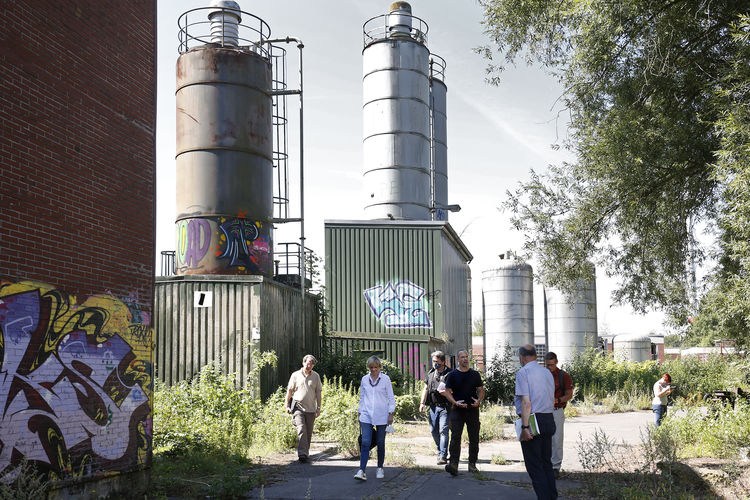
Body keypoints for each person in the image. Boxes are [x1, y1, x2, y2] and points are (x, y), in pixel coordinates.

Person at [515, 344, 557, 500]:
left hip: (533, 420)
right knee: (546, 463)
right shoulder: (547, 372)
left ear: (522, 357)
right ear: (535, 355)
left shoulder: (523, 372)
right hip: (548, 418)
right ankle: (552, 496)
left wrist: (525, 427)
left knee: (535, 465)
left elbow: (526, 402)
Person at [354, 355, 396, 481]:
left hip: (382, 415)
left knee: (380, 442)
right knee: (365, 442)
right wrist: (360, 411)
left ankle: (380, 467)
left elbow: (391, 397)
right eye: (371, 367)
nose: (373, 370)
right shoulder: (364, 379)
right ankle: (362, 470)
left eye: (376, 367)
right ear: (368, 367)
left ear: (379, 367)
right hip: (366, 414)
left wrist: (390, 413)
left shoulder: (385, 379)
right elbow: (362, 397)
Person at [443, 349, 484, 475]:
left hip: (472, 410)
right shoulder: (452, 375)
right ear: (458, 360)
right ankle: (453, 464)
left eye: (466, 357)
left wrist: (479, 400)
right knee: (455, 437)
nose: (465, 359)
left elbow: (481, 390)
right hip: (457, 410)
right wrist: (454, 402)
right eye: (462, 357)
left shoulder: (475, 374)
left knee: (474, 438)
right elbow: (447, 391)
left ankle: (472, 464)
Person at [285, 354, 322, 463]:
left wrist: (319, 408)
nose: (309, 365)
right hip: (298, 407)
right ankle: (302, 454)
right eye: (308, 362)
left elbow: (318, 393)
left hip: (311, 409)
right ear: (303, 362)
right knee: (301, 429)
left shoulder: (316, 376)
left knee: (308, 432)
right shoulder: (295, 375)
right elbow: (290, 391)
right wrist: (287, 405)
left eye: (311, 364)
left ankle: (305, 451)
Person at [419, 350, 453, 465]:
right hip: (433, 407)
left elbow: (455, 390)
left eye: (437, 361)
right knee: (434, 430)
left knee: (443, 430)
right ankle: (440, 451)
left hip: (445, 407)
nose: (435, 363)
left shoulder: (450, 374)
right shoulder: (431, 373)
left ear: (443, 361)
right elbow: (426, 388)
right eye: (433, 361)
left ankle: (443, 455)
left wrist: (447, 393)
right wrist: (422, 403)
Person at [545, 352, 573, 478]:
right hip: (543, 410)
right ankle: (546, 465)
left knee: (557, 439)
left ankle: (555, 467)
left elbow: (569, 394)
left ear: (556, 362)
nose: (549, 367)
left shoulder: (563, 376)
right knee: (544, 438)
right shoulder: (543, 375)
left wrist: (558, 400)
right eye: (547, 365)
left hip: (557, 410)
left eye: (551, 365)